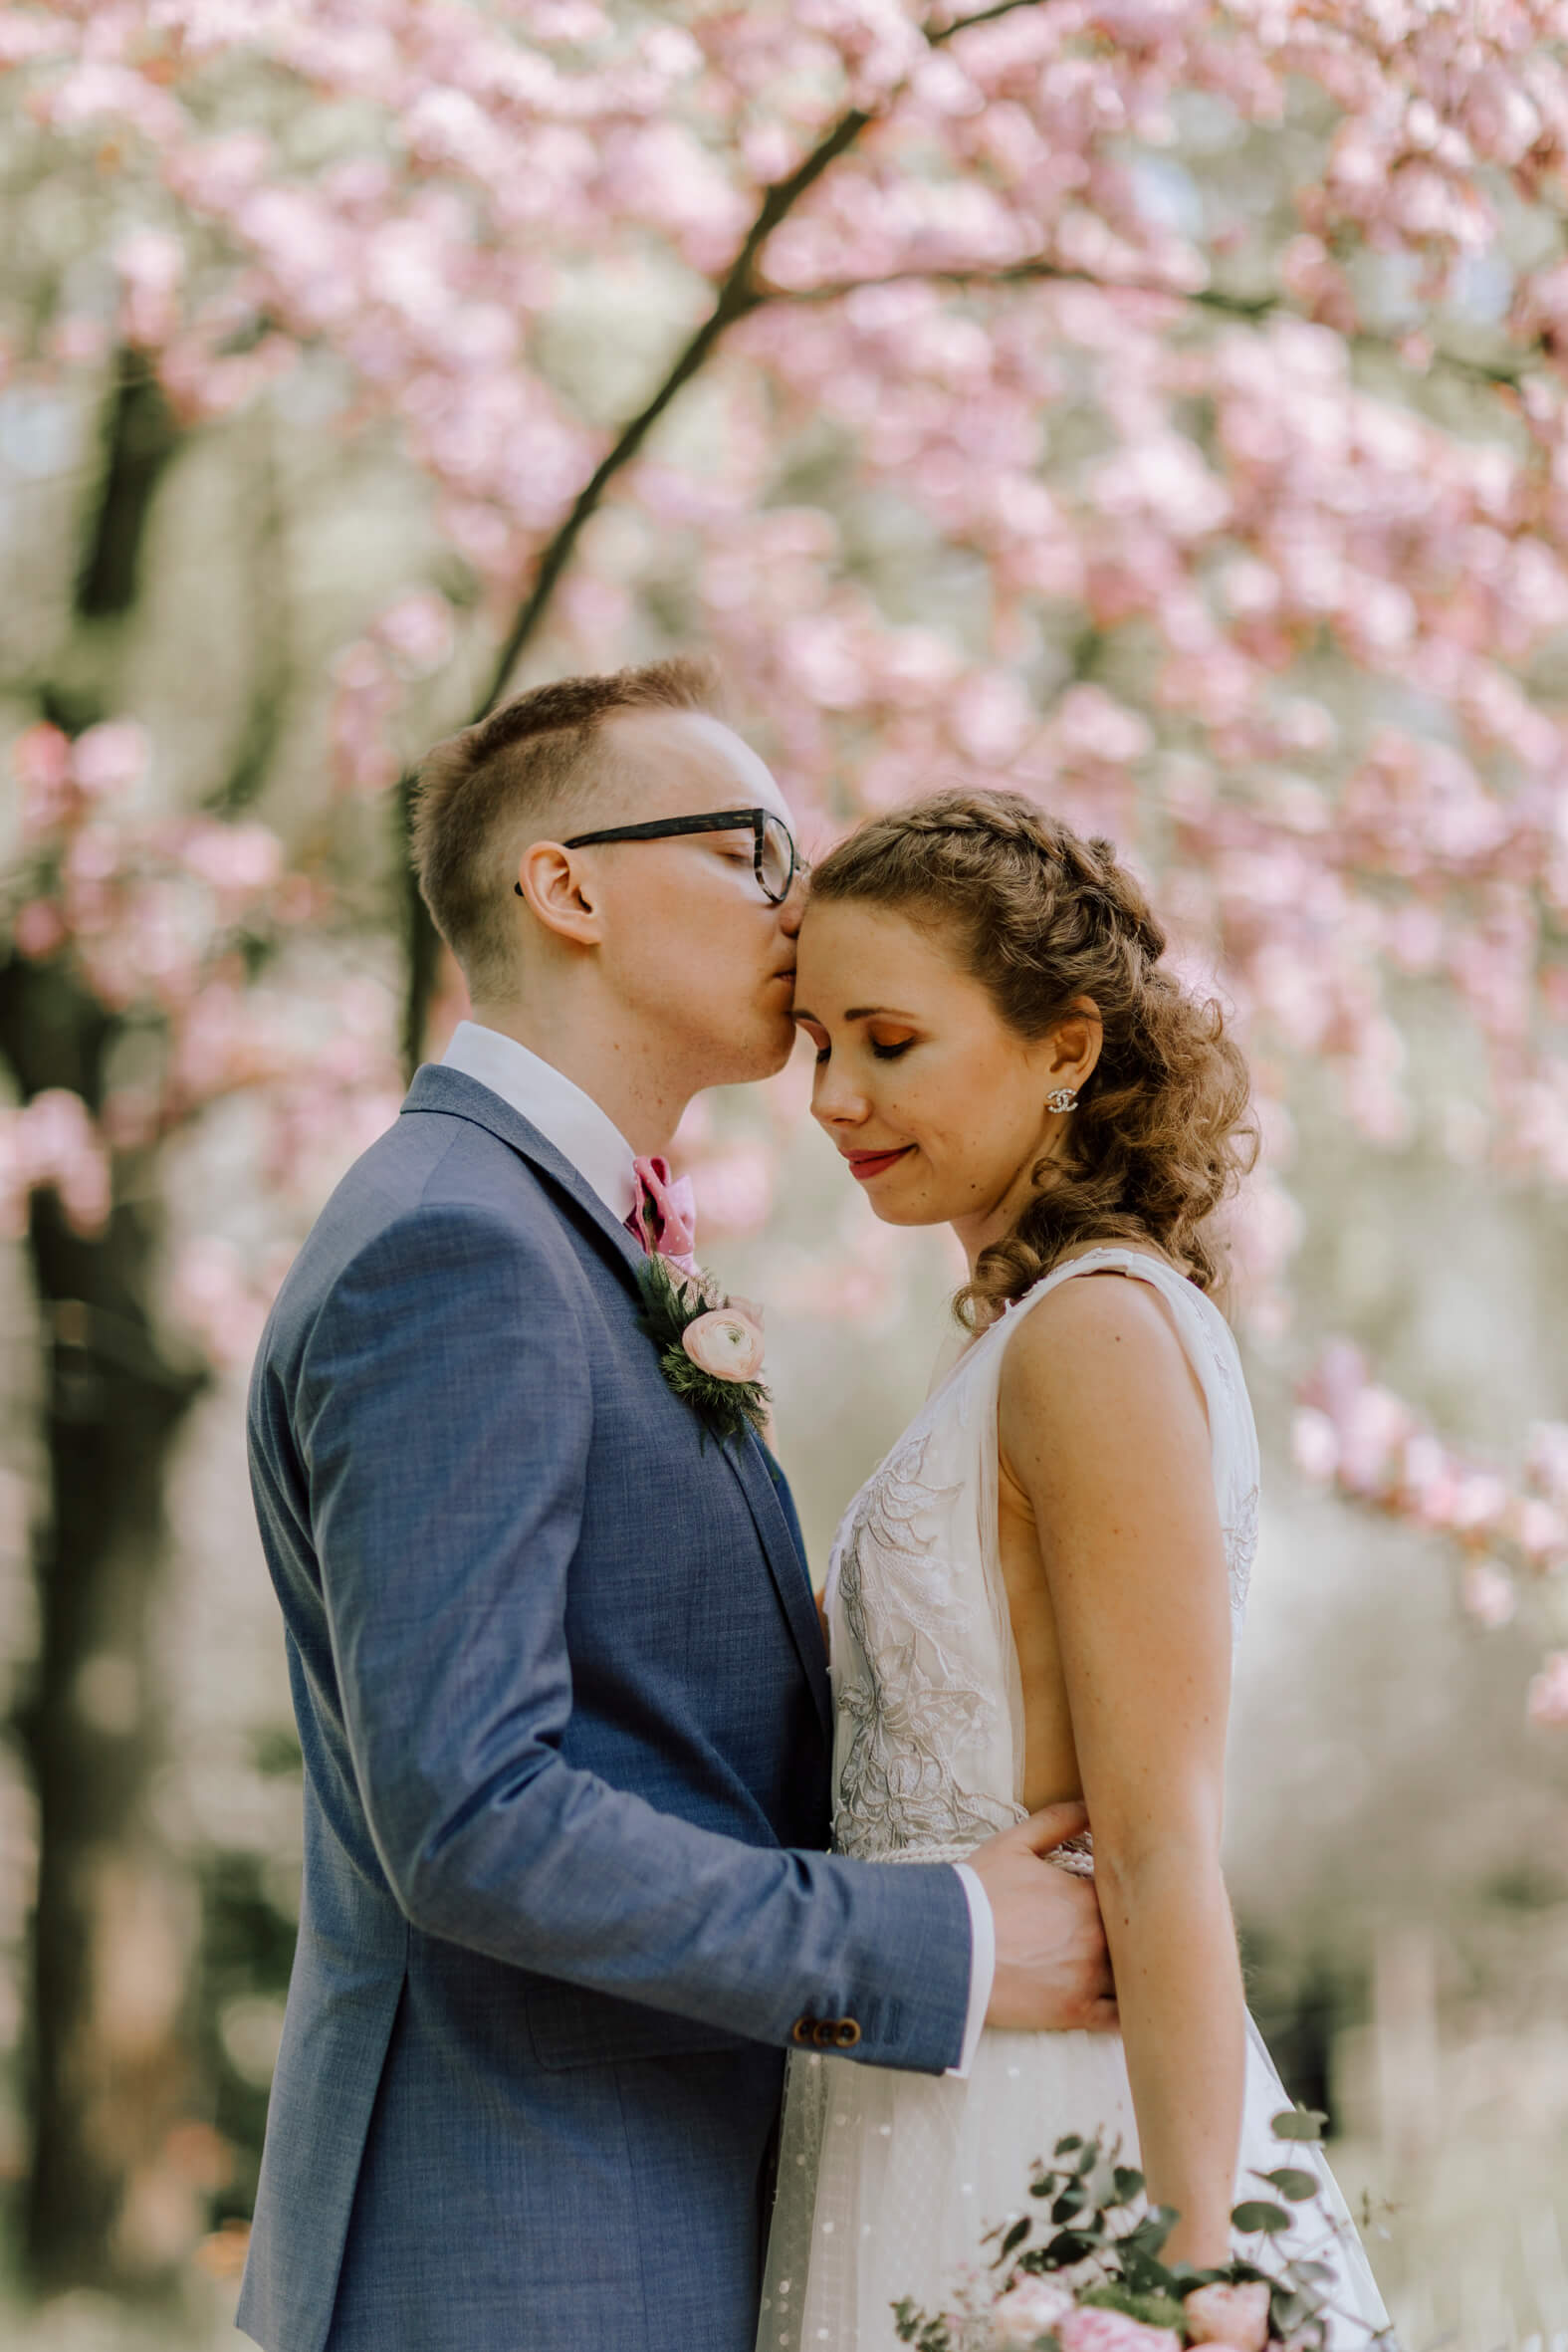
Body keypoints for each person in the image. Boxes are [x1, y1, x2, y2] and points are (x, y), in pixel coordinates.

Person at [237, 662, 1115, 2352]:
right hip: (515, 2251)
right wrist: (938, 1936)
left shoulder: (565, 1238)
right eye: (748, 849)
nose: (804, 900)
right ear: (565, 886)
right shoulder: (459, 1251)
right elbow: (473, 1812)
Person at [761, 788, 1391, 2348]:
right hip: (919, 2079)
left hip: (1042, 2130)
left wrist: (1196, 2268)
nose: (836, 1096)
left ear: (1067, 1047)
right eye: (816, 1043)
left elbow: (1162, 1841)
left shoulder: (1096, 1335)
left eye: (888, 1040)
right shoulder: (1025, 1340)